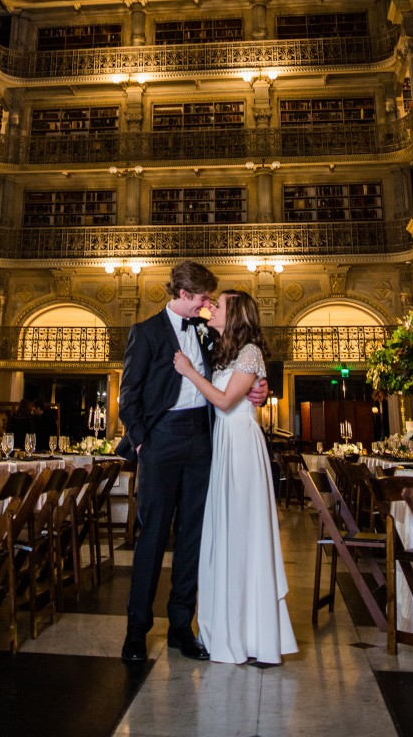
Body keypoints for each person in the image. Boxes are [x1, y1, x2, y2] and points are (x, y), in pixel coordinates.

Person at [118, 260, 268, 664]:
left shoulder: (206, 333)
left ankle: (182, 627)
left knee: (192, 538)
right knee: (151, 537)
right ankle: (137, 630)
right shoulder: (145, 333)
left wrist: (260, 389)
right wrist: (141, 443)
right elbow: (127, 397)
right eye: (203, 299)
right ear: (184, 295)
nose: (206, 307)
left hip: (204, 441)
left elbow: (238, 367)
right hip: (161, 441)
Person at [174, 289, 297, 665]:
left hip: (241, 446)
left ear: (237, 314)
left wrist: (189, 372)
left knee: (245, 534)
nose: (211, 307)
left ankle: (257, 638)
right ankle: (225, 631)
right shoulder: (218, 345)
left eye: (220, 304)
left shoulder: (250, 352)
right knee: (224, 535)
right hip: (222, 444)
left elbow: (227, 401)